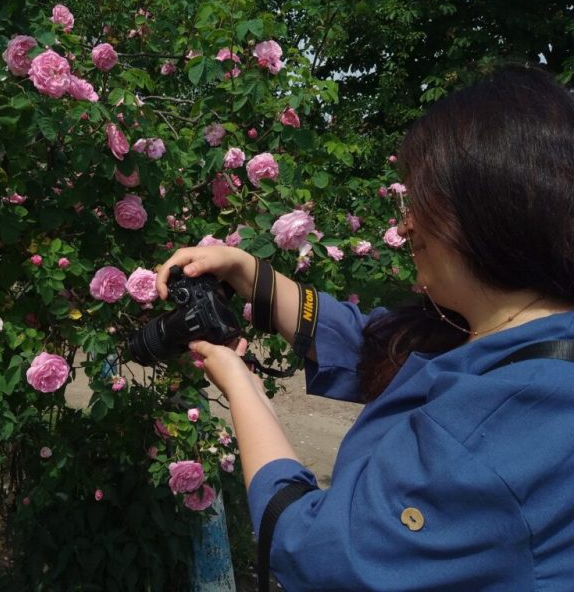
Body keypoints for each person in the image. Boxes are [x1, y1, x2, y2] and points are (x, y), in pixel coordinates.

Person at [155, 66, 574, 590]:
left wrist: (238, 383)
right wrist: (247, 270)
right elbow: (381, 346)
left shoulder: (495, 432)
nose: (404, 225)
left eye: (418, 202)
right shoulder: (514, 338)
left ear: (482, 211)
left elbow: (311, 548)